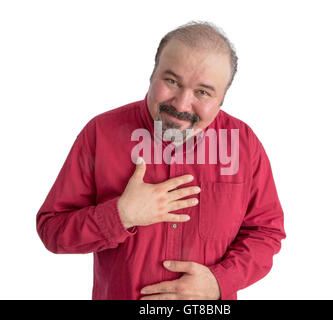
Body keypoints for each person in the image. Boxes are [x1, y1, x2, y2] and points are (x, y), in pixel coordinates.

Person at [36, 21, 286, 300]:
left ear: (222, 99)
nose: (180, 105)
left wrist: (219, 281)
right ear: (152, 74)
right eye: (171, 81)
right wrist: (121, 215)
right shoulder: (100, 133)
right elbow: (52, 230)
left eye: (202, 92)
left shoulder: (244, 144)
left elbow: (265, 232)